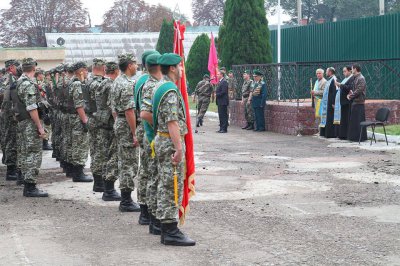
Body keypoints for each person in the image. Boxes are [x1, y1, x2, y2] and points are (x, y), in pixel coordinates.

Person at [152, 53, 195, 246]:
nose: (182, 69)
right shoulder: (169, 90)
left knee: (165, 183)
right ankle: (170, 231)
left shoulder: (160, 86)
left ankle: (165, 228)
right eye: (180, 65)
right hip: (169, 142)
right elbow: (172, 122)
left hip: (162, 140)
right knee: (172, 185)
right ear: (172, 68)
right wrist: (179, 148)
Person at [111, 53, 140, 212]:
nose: (136, 66)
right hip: (127, 124)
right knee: (129, 163)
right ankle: (126, 201)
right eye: (135, 63)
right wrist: (134, 133)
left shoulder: (117, 81)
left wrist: (118, 122)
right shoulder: (127, 84)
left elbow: (113, 107)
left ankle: (125, 199)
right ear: (129, 65)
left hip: (120, 122)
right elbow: (129, 111)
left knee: (124, 161)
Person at [15, 58, 48, 197]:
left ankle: (26, 182)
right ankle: (30, 186)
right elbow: (31, 107)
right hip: (30, 122)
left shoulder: (19, 82)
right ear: (34, 68)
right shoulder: (28, 84)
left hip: (23, 121)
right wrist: (39, 126)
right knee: (33, 153)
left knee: (26, 152)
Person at [134, 50, 160, 225]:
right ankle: (149, 211)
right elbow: (146, 111)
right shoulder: (150, 83)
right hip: (149, 129)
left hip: (142, 128)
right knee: (151, 172)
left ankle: (144, 210)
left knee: (144, 170)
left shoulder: (139, 80)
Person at [139, 52, 163, 231]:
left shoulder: (145, 82)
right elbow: (145, 113)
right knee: (153, 176)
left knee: (149, 174)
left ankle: (150, 215)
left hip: (151, 136)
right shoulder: (151, 85)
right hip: (153, 137)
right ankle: (153, 218)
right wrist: (165, 124)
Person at [97, 62, 121, 201]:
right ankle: (109, 190)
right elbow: (113, 108)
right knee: (113, 156)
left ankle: (107, 188)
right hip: (110, 123)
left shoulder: (101, 83)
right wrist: (118, 123)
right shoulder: (111, 84)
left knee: (106, 155)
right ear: (116, 71)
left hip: (102, 122)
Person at [68, 62, 93, 182]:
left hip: (73, 117)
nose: (87, 72)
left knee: (77, 144)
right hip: (78, 118)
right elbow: (79, 105)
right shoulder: (77, 84)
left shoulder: (72, 81)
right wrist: (84, 121)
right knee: (80, 145)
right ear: (80, 71)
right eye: (86, 70)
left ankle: (77, 172)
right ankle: (78, 174)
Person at [85, 58, 106, 192]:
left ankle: (98, 182)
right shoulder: (98, 83)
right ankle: (99, 183)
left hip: (91, 118)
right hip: (98, 120)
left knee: (94, 150)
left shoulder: (88, 81)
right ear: (103, 67)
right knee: (100, 151)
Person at [1, 59, 20, 181]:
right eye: (18, 66)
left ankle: (12, 167)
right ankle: (11, 170)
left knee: (9, 140)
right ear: (12, 67)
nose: (20, 68)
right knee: (11, 141)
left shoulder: (9, 79)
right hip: (10, 116)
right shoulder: (9, 79)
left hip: (8, 114)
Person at [347, 64, 367, 142]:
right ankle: (354, 137)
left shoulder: (361, 78)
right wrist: (351, 93)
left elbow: (359, 90)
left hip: (359, 102)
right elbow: (355, 89)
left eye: (352, 69)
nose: (351, 70)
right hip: (355, 102)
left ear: (355, 69)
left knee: (358, 121)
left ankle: (360, 137)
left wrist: (350, 96)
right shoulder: (356, 78)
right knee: (354, 121)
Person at [334, 66, 354, 139]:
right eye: (343, 71)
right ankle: (342, 134)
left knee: (346, 119)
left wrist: (340, 85)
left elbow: (349, 88)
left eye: (345, 71)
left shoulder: (352, 78)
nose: (343, 73)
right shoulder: (345, 79)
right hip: (343, 102)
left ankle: (346, 135)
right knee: (343, 119)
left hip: (347, 102)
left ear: (349, 71)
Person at [319, 67, 338, 138]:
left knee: (330, 118)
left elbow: (335, 92)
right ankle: (325, 133)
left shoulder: (334, 79)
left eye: (327, 71)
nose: (326, 73)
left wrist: (333, 102)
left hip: (331, 103)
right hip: (326, 103)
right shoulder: (329, 80)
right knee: (326, 118)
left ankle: (331, 134)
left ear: (330, 72)